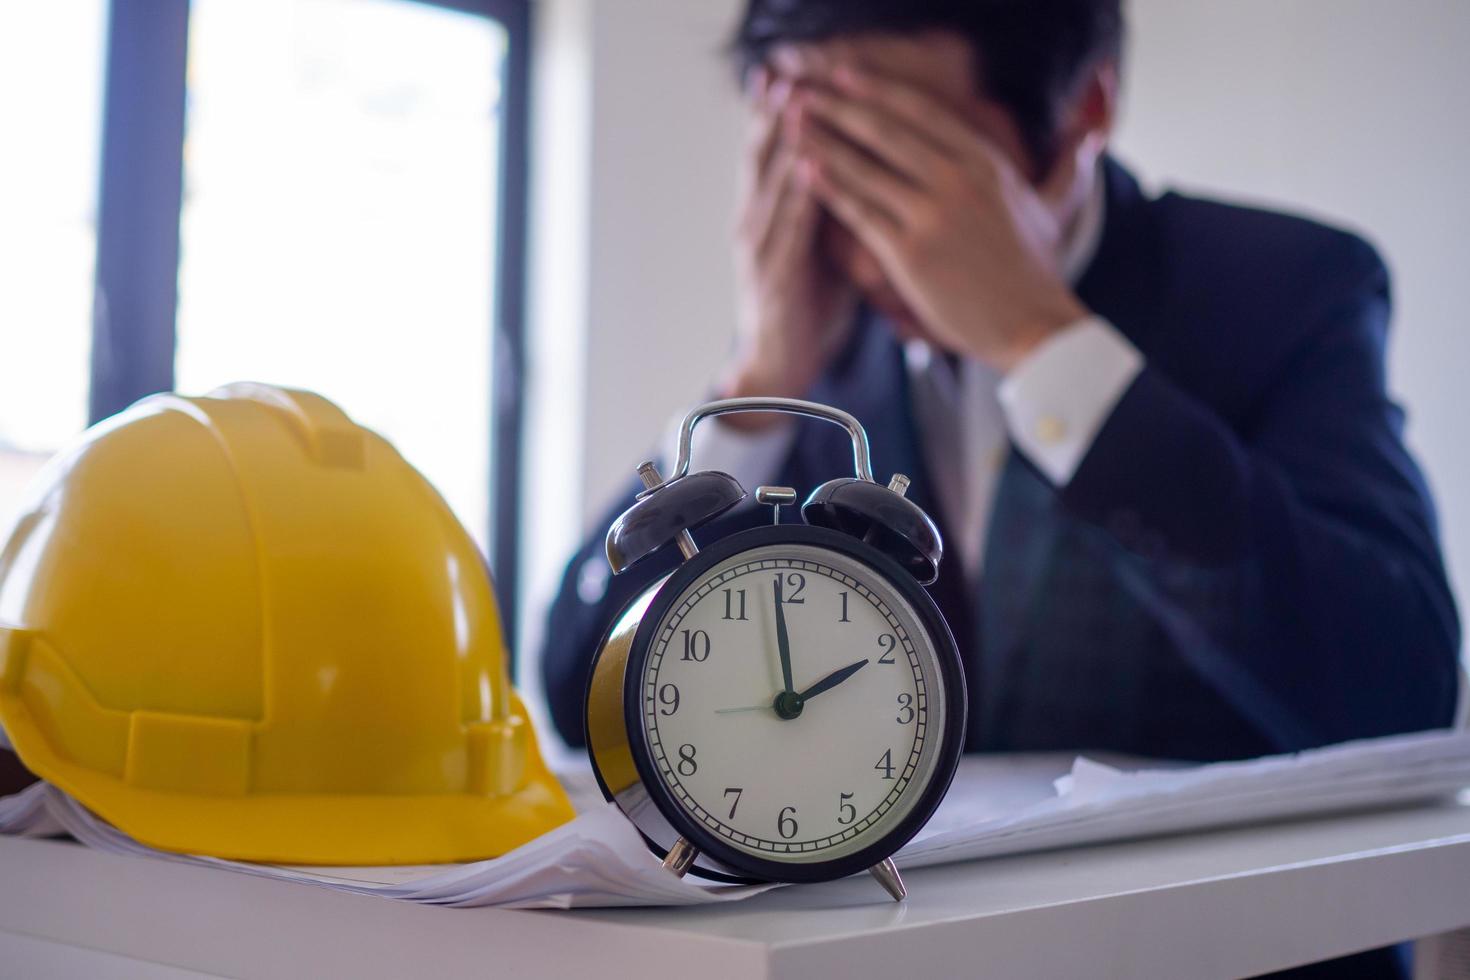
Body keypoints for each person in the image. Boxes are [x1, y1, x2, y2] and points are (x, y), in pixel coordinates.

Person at [540, 3, 1458, 973]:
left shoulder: (1286, 285)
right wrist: (759, 384)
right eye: (818, 153)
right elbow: (579, 694)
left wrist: (1043, 342)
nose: (860, 223)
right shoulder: (818, 344)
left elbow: (1400, 685)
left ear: (1084, 112)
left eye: (899, 156)